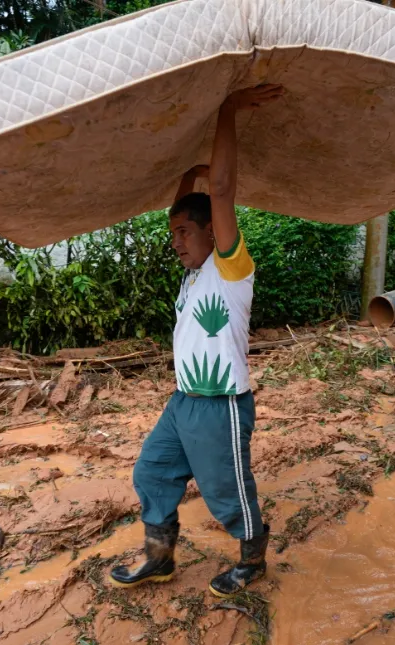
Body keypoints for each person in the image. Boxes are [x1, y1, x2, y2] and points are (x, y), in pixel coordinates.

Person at [109, 84, 284, 598]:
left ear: (214, 233)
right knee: (152, 471)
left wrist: (225, 108)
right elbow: (187, 202)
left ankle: (252, 562)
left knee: (226, 493)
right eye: (173, 233)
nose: (176, 241)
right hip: (183, 402)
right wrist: (191, 175)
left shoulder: (231, 269)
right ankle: (160, 559)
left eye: (185, 231)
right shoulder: (191, 274)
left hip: (220, 406)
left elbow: (222, 192)